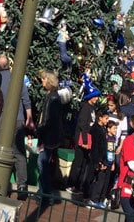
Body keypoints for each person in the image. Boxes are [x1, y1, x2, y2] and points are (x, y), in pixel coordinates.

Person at [67, 77, 102, 200]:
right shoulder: (85, 108)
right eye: (95, 96)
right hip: (82, 139)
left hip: (88, 139)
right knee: (78, 163)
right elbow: (83, 125)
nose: (97, 98)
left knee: (83, 164)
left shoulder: (92, 109)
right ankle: (71, 184)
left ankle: (78, 185)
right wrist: (86, 141)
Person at [36, 69, 63, 206]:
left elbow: (49, 120)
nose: (42, 80)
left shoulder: (52, 98)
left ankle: (47, 194)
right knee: (43, 164)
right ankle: (41, 194)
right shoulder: (51, 96)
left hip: (48, 137)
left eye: (44, 78)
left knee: (43, 164)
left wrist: (40, 130)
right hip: (48, 136)